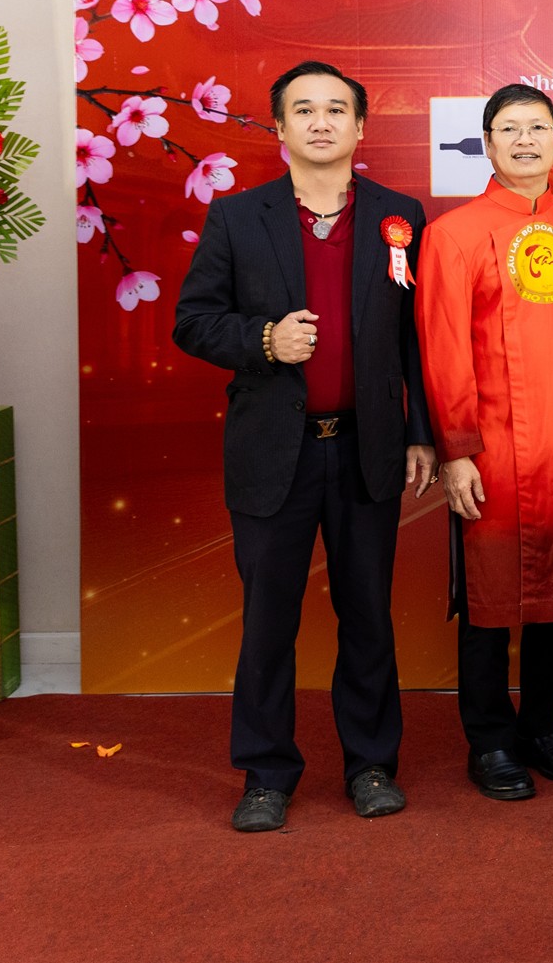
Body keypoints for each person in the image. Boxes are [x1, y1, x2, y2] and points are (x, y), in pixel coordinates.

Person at [173, 60, 436, 832]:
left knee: (368, 615)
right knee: (268, 622)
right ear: (280, 127)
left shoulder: (399, 215)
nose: (321, 122)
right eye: (304, 109)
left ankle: (371, 764)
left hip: (366, 449)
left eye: (336, 109)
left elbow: (416, 338)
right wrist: (264, 338)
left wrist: (421, 431)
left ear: (360, 126)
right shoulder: (237, 216)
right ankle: (265, 774)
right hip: (272, 453)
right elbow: (192, 320)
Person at [417, 84, 553, 801]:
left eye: (538, 128)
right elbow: (442, 348)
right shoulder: (454, 233)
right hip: (490, 446)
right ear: (488, 143)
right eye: (509, 129)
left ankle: (541, 728)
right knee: (488, 604)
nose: (525, 140)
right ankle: (490, 740)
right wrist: (456, 448)